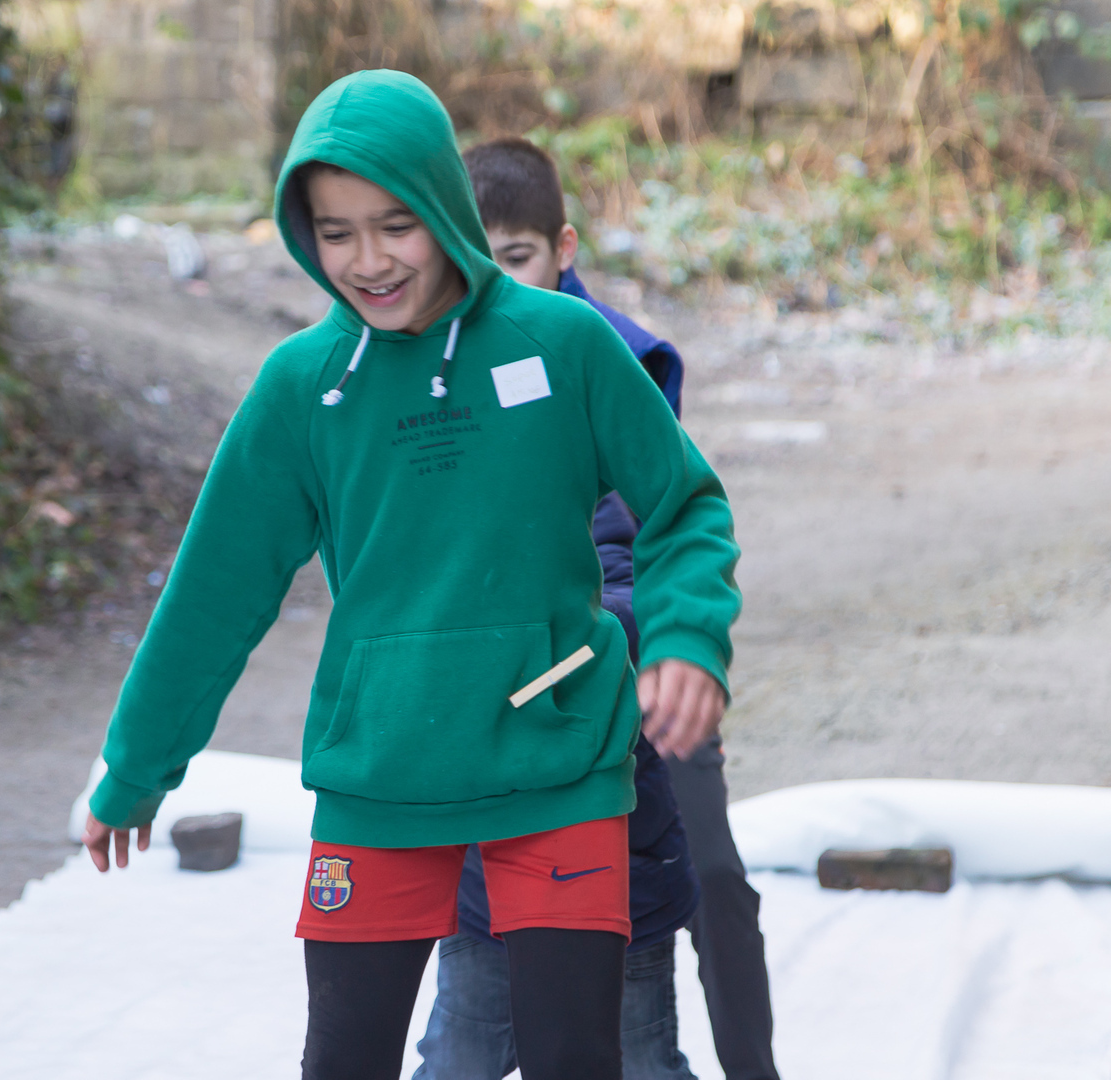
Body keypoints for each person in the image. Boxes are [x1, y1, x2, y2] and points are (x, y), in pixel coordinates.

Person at [79, 70, 741, 1080]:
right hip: (381, 773)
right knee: (343, 1061)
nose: (369, 260)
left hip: (559, 761)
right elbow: (214, 593)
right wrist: (137, 768)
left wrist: (687, 638)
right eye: (336, 233)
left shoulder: (565, 344)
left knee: (575, 1059)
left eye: (397, 226)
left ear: (444, 207)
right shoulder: (301, 386)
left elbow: (685, 505)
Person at [414, 136, 780, 1080]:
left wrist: (642, 646)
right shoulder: (433, 364)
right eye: (477, 259)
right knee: (481, 937)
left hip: (638, 670)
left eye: (519, 257)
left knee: (710, 879)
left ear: (563, 248)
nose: (499, 283)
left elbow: (657, 531)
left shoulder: (612, 357)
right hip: (509, 700)